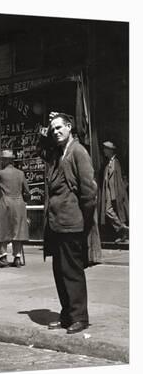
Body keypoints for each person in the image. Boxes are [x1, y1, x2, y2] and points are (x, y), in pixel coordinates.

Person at [44, 112, 97, 335]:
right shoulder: (59, 152)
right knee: (60, 271)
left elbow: (89, 190)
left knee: (72, 272)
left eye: (59, 128)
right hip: (57, 224)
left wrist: (83, 220)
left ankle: (79, 317)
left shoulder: (78, 151)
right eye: (53, 129)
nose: (56, 132)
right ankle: (67, 315)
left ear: (69, 127)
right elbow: (42, 148)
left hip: (71, 223)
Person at [0, 149, 30, 268]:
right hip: (18, 203)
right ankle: (17, 257)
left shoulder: (0, 174)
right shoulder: (20, 173)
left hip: (5, 202)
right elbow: (27, 191)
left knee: (2, 229)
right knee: (17, 230)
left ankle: (2, 257)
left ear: (4, 160)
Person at [99, 141, 129, 243]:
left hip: (117, 192)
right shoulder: (107, 163)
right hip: (109, 192)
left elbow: (122, 178)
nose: (104, 151)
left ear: (110, 150)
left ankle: (123, 235)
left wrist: (122, 189)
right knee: (108, 211)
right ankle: (122, 228)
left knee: (119, 212)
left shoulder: (117, 162)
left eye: (105, 149)